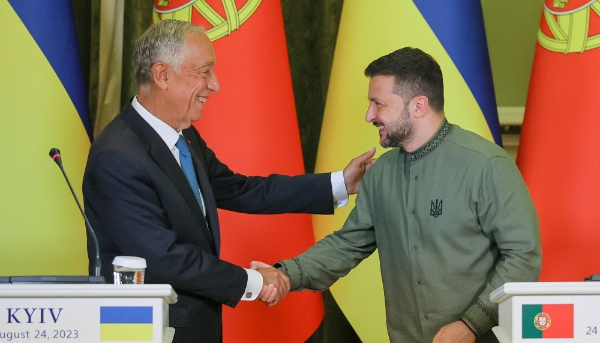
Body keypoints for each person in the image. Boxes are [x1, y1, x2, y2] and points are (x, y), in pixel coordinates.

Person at [82, 19, 374, 343]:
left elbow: (244, 190)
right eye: (204, 71)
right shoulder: (117, 157)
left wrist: (339, 184)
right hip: (150, 332)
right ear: (162, 75)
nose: (215, 84)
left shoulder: (184, 136)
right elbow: (164, 258)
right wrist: (254, 282)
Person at [264, 47, 542, 343]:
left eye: (378, 104)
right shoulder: (380, 174)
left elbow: (523, 256)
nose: (369, 115)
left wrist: (470, 326)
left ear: (419, 106)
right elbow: (347, 245)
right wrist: (284, 273)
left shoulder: (487, 166)